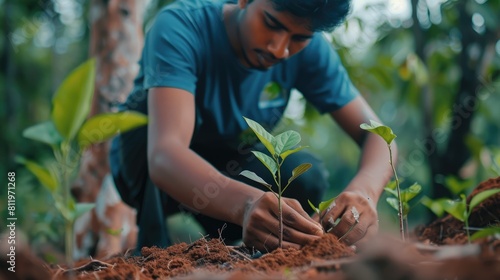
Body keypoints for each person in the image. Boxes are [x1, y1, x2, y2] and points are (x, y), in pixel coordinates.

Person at [109, 0, 396, 254]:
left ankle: (260, 246)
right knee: (145, 115)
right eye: (271, 24)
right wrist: (246, 204)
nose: (279, 49)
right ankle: (151, 247)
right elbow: (165, 154)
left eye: (299, 37)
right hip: (150, 170)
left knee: (304, 174)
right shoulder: (182, 25)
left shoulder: (311, 52)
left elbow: (382, 139)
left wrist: (364, 193)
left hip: (227, 172)